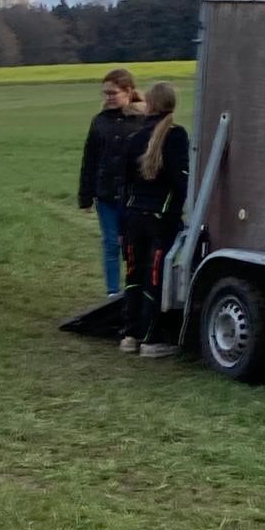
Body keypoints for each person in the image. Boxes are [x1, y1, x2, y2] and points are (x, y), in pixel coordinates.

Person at [120, 81, 189, 358]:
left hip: (133, 215)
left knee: (133, 274)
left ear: (148, 103)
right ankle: (151, 339)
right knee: (155, 277)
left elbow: (124, 181)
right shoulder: (176, 135)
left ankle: (129, 335)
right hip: (162, 217)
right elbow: (180, 179)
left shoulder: (135, 137)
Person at [77, 68, 145, 299]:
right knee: (110, 243)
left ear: (128, 91)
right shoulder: (99, 121)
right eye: (105, 93)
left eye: (113, 93)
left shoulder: (143, 120)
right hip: (106, 194)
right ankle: (113, 293)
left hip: (134, 195)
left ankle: (135, 289)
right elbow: (90, 159)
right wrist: (85, 196)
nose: (108, 97)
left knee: (133, 244)